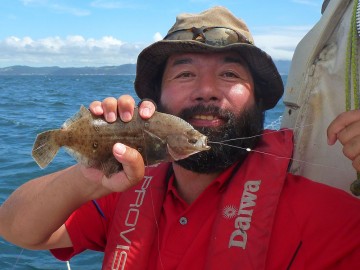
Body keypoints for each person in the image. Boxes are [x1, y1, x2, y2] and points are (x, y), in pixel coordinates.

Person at [1, 6, 360, 270]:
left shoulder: (325, 215)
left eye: (230, 73)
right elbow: (17, 230)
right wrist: (89, 176)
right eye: (185, 73)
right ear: (154, 104)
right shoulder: (122, 188)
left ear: (259, 99)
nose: (206, 90)